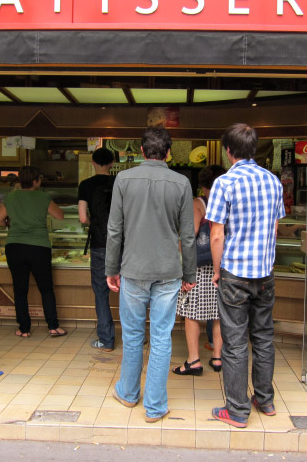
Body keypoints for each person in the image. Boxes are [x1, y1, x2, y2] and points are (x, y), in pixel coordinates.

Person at [105, 127, 197, 423]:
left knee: (132, 335)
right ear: (168, 153)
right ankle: (155, 407)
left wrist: (111, 269)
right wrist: (190, 272)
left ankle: (129, 394)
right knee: (161, 336)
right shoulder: (181, 183)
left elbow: (114, 229)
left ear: (142, 152)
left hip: (132, 269)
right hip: (169, 272)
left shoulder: (123, 179)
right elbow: (188, 235)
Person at [205, 123, 285, 428]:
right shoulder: (273, 181)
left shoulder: (225, 183)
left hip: (234, 274)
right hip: (264, 274)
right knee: (263, 336)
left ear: (228, 151)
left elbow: (216, 235)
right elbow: (275, 230)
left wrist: (216, 270)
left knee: (235, 341)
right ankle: (264, 400)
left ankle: (237, 410)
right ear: (254, 149)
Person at [0, 166, 68, 338]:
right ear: (35, 181)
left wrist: (11, 224)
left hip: (15, 247)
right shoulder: (43, 197)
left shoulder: (11, 197)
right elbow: (60, 216)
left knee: (20, 289)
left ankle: (24, 329)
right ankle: (53, 327)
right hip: (39, 247)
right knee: (46, 288)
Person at [172, 164, 226, 376]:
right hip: (221, 265)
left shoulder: (198, 203)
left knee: (191, 314)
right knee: (219, 313)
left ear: (203, 185)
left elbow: (189, 235)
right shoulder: (227, 202)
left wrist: (182, 262)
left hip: (199, 267)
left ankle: (194, 360)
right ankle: (217, 358)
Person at [78, 147, 116, 352]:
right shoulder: (120, 182)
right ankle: (134, 338)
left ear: (93, 162)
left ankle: (106, 339)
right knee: (130, 291)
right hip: (123, 246)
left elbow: (83, 218)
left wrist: (96, 224)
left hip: (100, 244)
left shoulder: (86, 185)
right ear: (111, 163)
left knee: (101, 291)